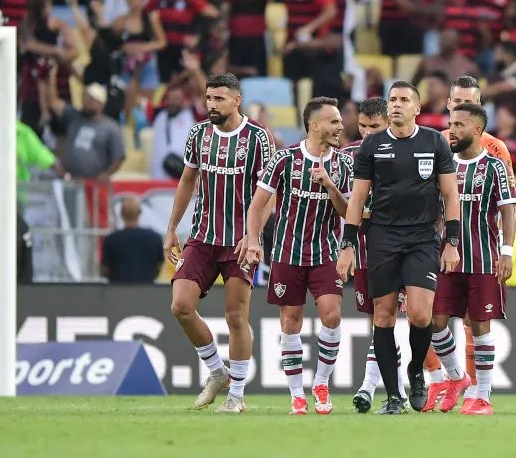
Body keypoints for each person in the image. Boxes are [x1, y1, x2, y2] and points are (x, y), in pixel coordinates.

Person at [336, 81, 461, 415]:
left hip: (422, 236)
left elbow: (450, 195)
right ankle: (394, 397)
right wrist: (347, 244)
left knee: (421, 314)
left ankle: (416, 370)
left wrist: (452, 241)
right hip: (383, 237)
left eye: (404, 100)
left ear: (417, 109)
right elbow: (358, 197)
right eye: (392, 99)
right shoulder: (372, 145)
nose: (396, 104)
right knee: (384, 315)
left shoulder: (435, 141)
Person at [163, 73, 276, 414]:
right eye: (209, 98)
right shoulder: (198, 134)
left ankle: (237, 395)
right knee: (180, 306)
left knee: (235, 317)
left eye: (219, 99)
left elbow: (269, 195)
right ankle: (217, 372)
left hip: (241, 242)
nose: (211, 105)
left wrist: (253, 235)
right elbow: (187, 180)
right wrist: (172, 228)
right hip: (202, 237)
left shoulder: (258, 138)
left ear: (236, 101)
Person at [240, 97, 353, 416]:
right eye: (333, 121)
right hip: (288, 252)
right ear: (314, 125)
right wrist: (252, 240)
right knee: (291, 321)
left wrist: (330, 186)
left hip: (325, 251)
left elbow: (349, 211)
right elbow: (257, 205)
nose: (340, 126)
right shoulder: (284, 159)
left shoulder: (343, 164)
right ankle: (296, 396)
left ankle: (320, 383)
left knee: (331, 315)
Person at [423, 75, 516, 412]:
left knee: (478, 324)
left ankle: (482, 395)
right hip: (444, 256)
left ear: (476, 129)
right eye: (451, 122)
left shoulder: (494, 162)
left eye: (460, 124)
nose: (452, 129)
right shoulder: (439, 160)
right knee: (433, 320)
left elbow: (509, 207)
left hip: (482, 256)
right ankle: (456, 377)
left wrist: (506, 251)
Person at [342, 98, 409, 413]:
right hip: (365, 252)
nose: (368, 134)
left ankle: (370, 387)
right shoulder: (346, 157)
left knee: (403, 320)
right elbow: (345, 207)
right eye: (363, 126)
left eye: (375, 127)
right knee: (379, 322)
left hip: (399, 246)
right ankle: (399, 391)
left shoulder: (402, 153)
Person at [101, 196, 163, 284]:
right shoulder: (154, 237)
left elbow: (105, 269)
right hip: (146, 289)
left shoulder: (111, 239)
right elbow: (159, 266)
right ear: (140, 212)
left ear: (121, 213)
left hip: (117, 290)